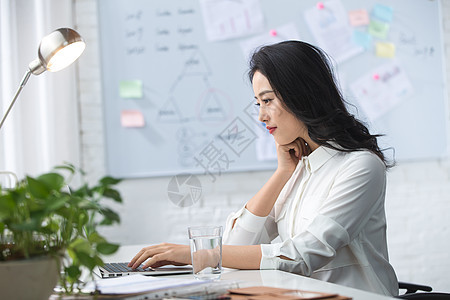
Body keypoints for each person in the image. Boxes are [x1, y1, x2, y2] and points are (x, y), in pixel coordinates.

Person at [128, 40, 398, 296]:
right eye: (258, 103)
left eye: (267, 101)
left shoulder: (360, 167)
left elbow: (301, 256)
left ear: (301, 96)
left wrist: (195, 254)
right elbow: (236, 246)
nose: (260, 116)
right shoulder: (297, 168)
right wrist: (281, 174)